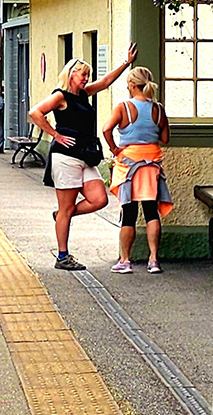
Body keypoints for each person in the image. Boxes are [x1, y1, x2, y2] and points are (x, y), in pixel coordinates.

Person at [28, 44, 135, 271]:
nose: (86, 78)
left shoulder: (84, 95)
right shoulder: (60, 96)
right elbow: (35, 113)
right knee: (67, 208)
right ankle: (63, 255)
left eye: (88, 75)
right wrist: (55, 134)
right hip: (65, 157)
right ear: (71, 74)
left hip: (85, 157)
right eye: (83, 74)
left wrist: (126, 63)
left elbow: (105, 83)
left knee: (99, 199)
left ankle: (61, 217)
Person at [103, 67, 172, 274]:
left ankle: (125, 260)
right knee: (151, 212)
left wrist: (115, 149)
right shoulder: (158, 109)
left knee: (129, 214)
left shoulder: (123, 107)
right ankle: (153, 260)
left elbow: (106, 129)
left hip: (129, 165)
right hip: (152, 165)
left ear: (132, 85)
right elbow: (166, 138)